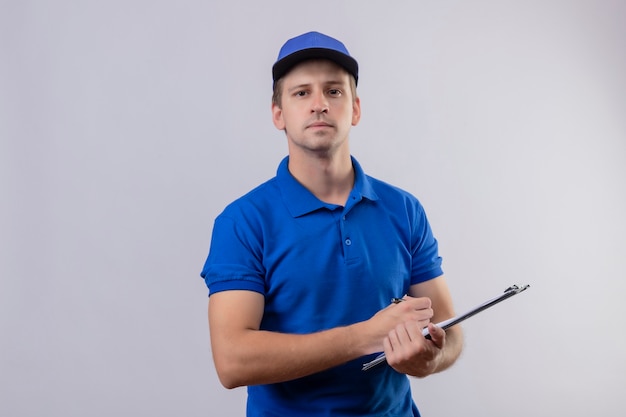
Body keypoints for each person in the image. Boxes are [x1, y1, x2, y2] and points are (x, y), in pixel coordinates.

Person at [200, 31, 463, 417]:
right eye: (301, 93)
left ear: (355, 109)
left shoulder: (404, 209)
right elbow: (232, 361)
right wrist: (366, 337)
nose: (319, 104)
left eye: (334, 91)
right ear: (278, 114)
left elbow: (450, 332)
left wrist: (426, 360)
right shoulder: (243, 222)